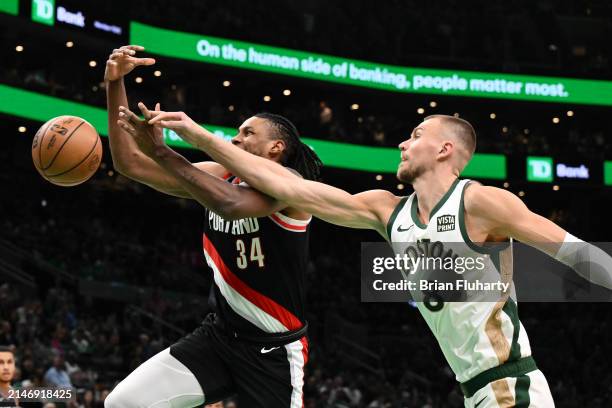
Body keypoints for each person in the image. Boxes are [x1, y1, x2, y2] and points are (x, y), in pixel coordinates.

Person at [146, 109, 612, 407]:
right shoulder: (386, 210)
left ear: (446, 150)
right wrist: (201, 139)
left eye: (415, 134)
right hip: (474, 390)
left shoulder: (481, 202)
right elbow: (289, 187)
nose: (402, 143)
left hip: (512, 388)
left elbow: (573, 254)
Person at [104, 45, 322, 408]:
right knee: (123, 403)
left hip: (273, 352)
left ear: (276, 147)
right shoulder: (223, 173)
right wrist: (115, 83)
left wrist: (163, 152)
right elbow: (130, 164)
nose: (236, 139)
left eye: (248, 133)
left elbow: (232, 205)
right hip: (218, 338)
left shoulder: (290, 185)